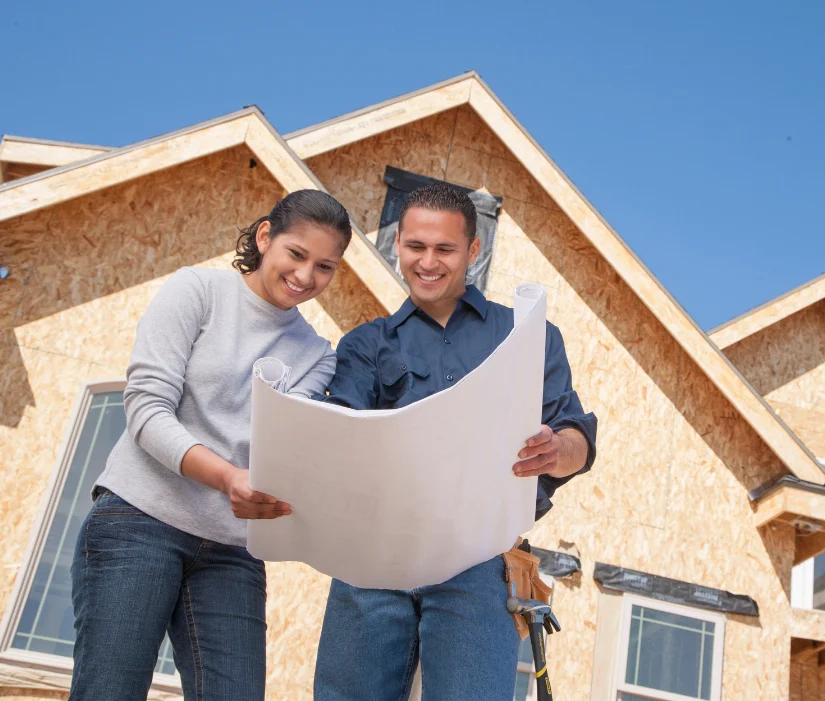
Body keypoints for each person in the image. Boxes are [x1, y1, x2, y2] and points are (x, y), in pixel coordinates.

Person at [314, 182, 598, 700]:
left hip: (481, 560)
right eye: (416, 246)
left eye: (445, 249)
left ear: (474, 250)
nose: (428, 262)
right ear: (397, 243)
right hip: (375, 555)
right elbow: (339, 436)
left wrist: (559, 450)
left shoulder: (526, 338)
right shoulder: (365, 344)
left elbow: (576, 434)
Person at [69, 189, 353, 701]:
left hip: (231, 551)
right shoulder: (197, 292)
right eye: (297, 254)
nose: (307, 277)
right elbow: (146, 410)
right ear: (266, 236)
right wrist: (228, 478)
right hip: (138, 522)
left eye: (326, 266)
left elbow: (281, 450)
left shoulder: (317, 355)